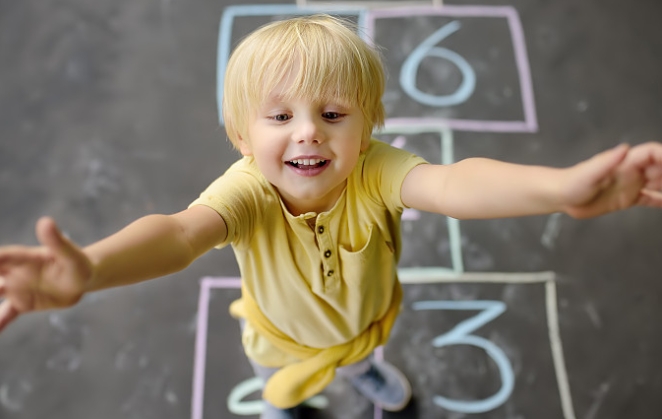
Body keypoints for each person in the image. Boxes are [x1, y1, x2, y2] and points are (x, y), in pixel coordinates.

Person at [1, 14, 662, 419]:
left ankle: (359, 372)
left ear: (370, 125)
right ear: (240, 136)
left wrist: (561, 188)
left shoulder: (377, 170)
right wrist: (90, 269)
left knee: (363, 358)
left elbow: (457, 182)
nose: (309, 133)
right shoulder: (247, 191)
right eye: (281, 116)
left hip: (363, 326)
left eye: (334, 114)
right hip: (278, 341)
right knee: (278, 387)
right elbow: (177, 234)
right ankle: (284, 398)